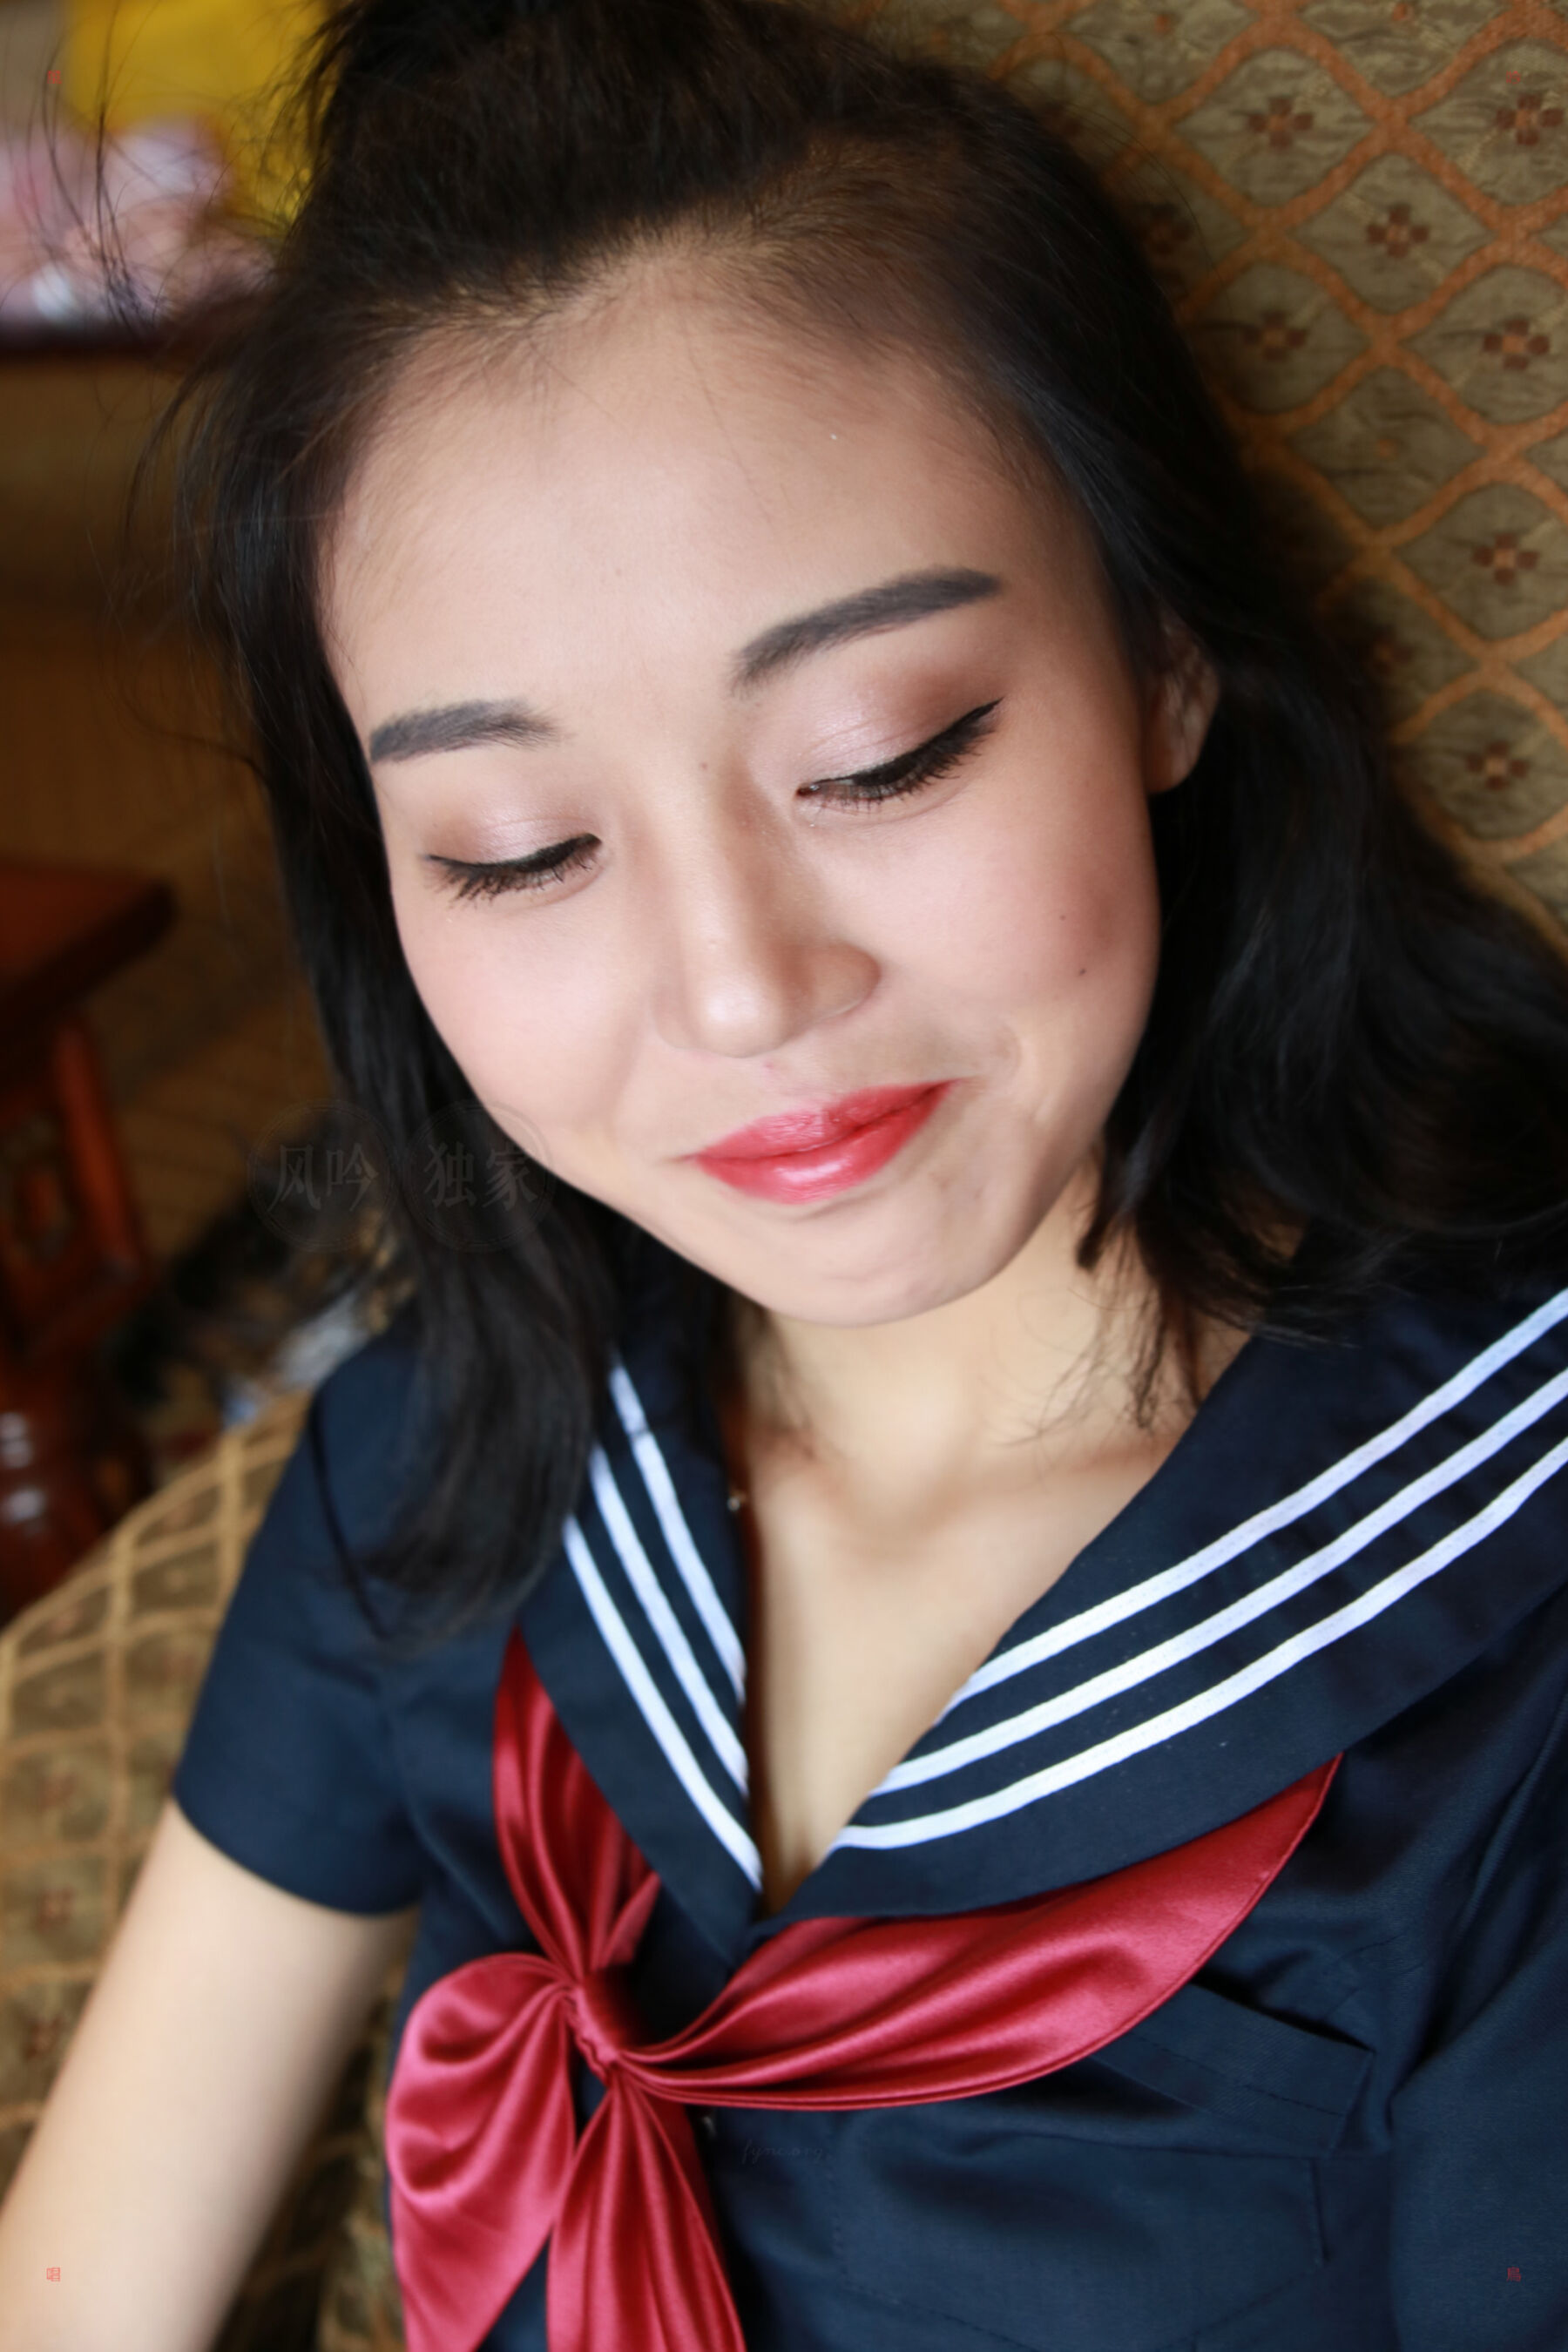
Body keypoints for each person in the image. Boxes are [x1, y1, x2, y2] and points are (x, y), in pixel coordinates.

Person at [3, 1, 1567, 2346]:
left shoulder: (1501, 1612)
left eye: (883, 752)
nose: (741, 990)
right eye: (517, 849)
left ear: (1164, 657)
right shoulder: (443, 1465)